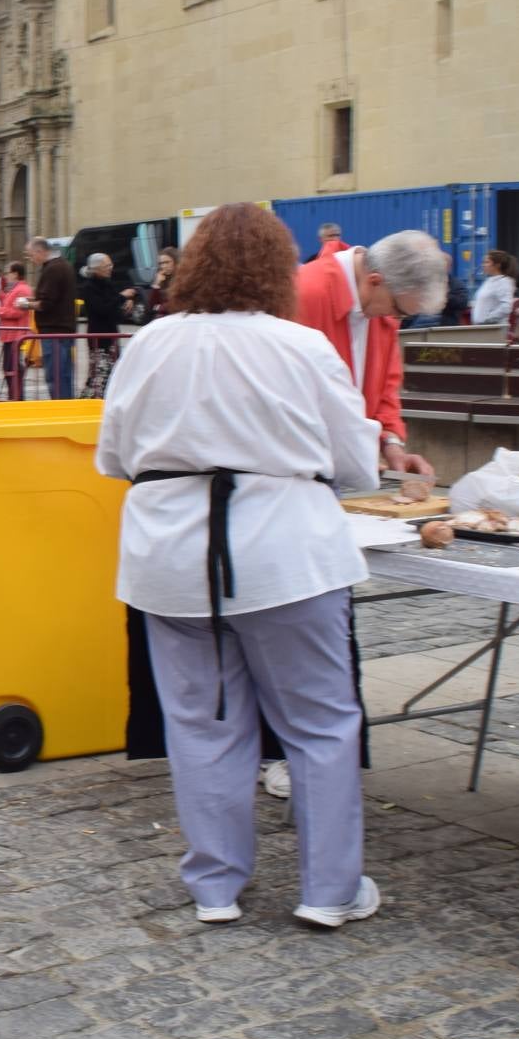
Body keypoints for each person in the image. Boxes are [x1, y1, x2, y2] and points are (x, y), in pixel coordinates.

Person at [98, 203, 382, 929]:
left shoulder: (150, 343)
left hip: (171, 557)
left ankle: (214, 885)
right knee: (319, 724)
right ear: (275, 271)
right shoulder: (300, 345)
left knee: (200, 725)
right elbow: (355, 463)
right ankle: (328, 888)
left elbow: (114, 457)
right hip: (285, 553)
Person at [292, 228, 446, 483]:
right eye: (398, 310)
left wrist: (391, 441)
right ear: (374, 281)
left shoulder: (377, 303)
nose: (396, 319)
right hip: (301, 474)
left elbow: (387, 386)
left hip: (337, 470)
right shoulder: (304, 294)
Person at [27, 237, 78, 399]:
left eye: (31, 255)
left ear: (40, 251)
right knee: (65, 374)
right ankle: (67, 407)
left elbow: (46, 303)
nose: (31, 259)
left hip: (54, 329)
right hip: (65, 328)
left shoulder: (52, 269)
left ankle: (60, 409)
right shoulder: (64, 265)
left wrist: (26, 305)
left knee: (55, 375)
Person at [80, 252, 135, 397]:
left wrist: (125, 305)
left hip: (112, 335)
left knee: (114, 371)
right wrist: (122, 297)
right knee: (99, 373)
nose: (111, 268)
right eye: (107, 266)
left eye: (111, 265)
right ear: (96, 269)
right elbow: (102, 308)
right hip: (99, 337)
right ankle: (92, 400)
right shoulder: (88, 288)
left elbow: (113, 308)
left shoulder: (108, 284)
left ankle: (109, 398)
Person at [0, 259, 33, 400]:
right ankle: (15, 395)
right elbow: (11, 305)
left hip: (15, 333)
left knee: (12, 367)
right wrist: (1, 297)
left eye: (8, 273)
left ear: (16, 274)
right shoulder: (16, 288)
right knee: (10, 366)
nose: (6, 276)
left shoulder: (22, 289)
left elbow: (18, 312)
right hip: (10, 333)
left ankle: (17, 396)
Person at [471, 250, 518, 326]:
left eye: (487, 262)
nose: (483, 265)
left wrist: (487, 319)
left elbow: (506, 307)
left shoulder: (504, 282)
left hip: (494, 329)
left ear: (497, 265)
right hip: (481, 328)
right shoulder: (489, 280)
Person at [141, 247, 178, 321]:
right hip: (164, 321)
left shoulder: (182, 279)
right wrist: (156, 284)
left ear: (176, 262)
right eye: (161, 263)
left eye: (167, 262)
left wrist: (160, 307)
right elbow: (151, 306)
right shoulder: (161, 279)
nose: (163, 266)